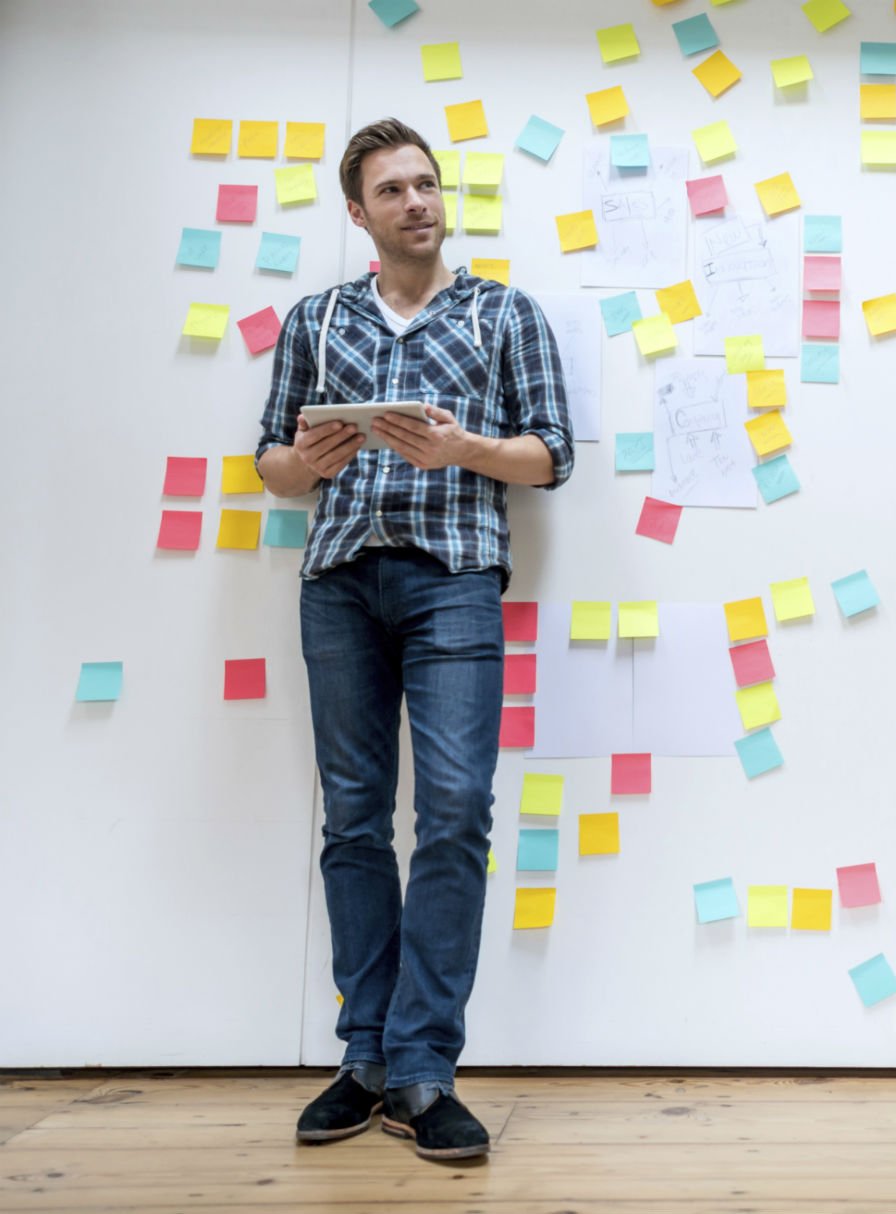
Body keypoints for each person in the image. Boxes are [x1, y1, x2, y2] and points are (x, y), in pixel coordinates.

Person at [255, 117, 573, 1162]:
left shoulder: (503, 314)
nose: (418, 202)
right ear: (360, 211)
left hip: (454, 584)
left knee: (453, 814)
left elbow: (551, 457)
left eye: (428, 185)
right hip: (339, 584)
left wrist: (463, 448)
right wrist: (308, 460)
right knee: (352, 819)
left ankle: (427, 1064)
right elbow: (271, 463)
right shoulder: (315, 319)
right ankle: (368, 1059)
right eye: (393, 190)